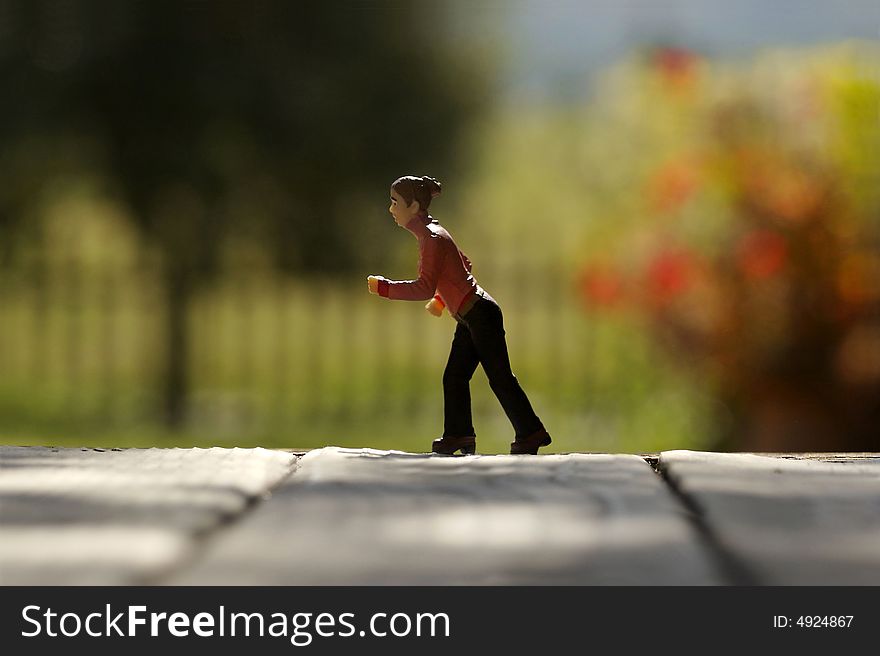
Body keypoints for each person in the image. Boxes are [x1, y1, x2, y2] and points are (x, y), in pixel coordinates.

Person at [367, 175, 551, 455]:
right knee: (454, 376)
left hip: (480, 313)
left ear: (414, 206)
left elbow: (425, 286)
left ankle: (531, 432)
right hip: (469, 315)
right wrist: (444, 299)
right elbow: (462, 264)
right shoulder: (432, 234)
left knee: (500, 377)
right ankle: (459, 435)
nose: (391, 209)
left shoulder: (431, 238)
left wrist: (386, 288)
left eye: (395, 202)